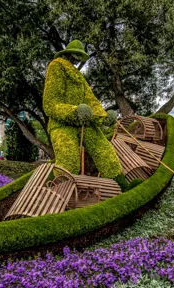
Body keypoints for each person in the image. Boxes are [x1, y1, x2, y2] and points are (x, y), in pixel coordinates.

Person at [43, 40, 127, 189]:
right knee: (68, 157)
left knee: (104, 150)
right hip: (61, 124)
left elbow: (91, 100)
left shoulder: (80, 78)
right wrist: (74, 111)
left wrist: (103, 116)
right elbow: (50, 104)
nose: (75, 59)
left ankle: (122, 187)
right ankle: (62, 194)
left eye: (79, 56)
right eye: (75, 55)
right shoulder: (56, 66)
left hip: (84, 122)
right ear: (68, 54)